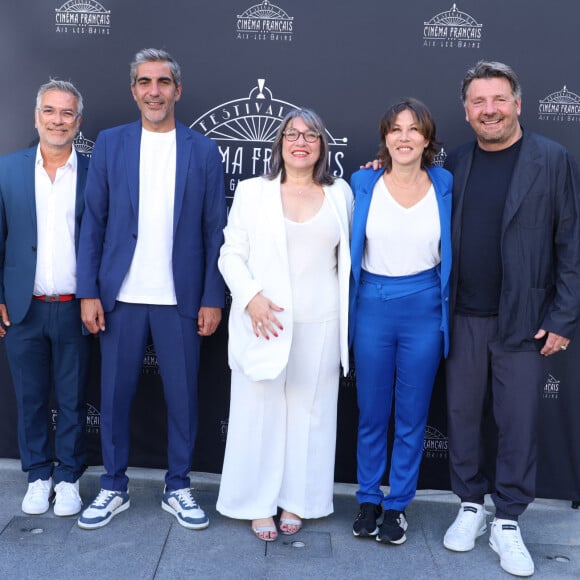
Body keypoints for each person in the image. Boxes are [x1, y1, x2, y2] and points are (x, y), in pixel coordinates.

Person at [76, 48, 226, 530]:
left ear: (177, 90)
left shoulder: (202, 150)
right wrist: (89, 292)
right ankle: (113, 486)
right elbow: (92, 223)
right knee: (114, 397)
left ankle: (178, 485)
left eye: (163, 82)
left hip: (180, 300)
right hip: (119, 297)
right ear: (134, 90)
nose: (154, 91)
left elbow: (213, 231)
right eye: (145, 82)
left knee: (183, 398)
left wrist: (211, 297)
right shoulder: (111, 143)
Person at [442, 61, 580, 578]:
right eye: (478, 102)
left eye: (499, 100)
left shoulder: (552, 160)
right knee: (461, 415)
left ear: (518, 104)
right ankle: (471, 506)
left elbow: (572, 244)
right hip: (462, 317)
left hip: (525, 319)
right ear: (467, 110)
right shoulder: (455, 162)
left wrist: (564, 317)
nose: (489, 110)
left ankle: (509, 520)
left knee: (518, 423)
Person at [216, 108, 353, 542]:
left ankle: (300, 500)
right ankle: (256, 503)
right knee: (257, 413)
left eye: (311, 135)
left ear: (321, 146)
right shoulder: (254, 192)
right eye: (293, 134)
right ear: (279, 143)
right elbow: (230, 253)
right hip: (264, 319)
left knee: (311, 414)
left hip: (322, 321)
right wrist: (251, 297)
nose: (301, 141)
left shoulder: (341, 193)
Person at [350, 98, 452, 545]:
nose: (405, 137)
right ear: (385, 137)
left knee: (412, 416)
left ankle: (397, 506)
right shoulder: (363, 180)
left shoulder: (446, 183)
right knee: (372, 412)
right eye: (396, 129)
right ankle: (369, 498)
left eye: (414, 129)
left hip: (425, 307)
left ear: (427, 138)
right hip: (372, 303)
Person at [0, 79, 92, 517]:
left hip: (77, 307)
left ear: (78, 122)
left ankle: (69, 477)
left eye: (67, 113)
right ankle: (38, 476)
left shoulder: (95, 173)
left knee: (73, 400)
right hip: (24, 308)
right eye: (50, 111)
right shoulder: (7, 170)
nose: (58, 120)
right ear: (36, 117)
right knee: (31, 398)